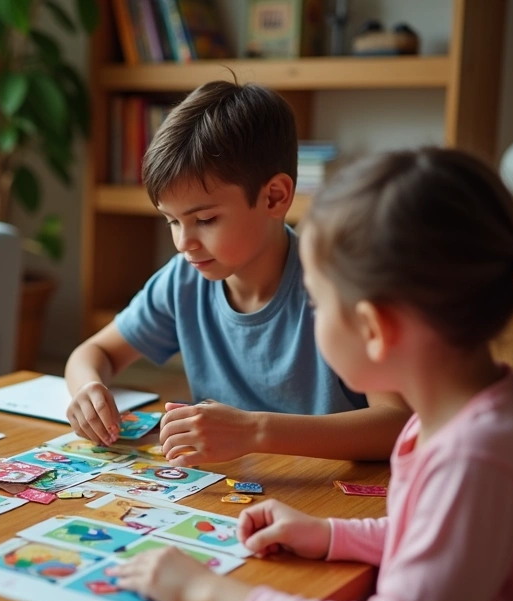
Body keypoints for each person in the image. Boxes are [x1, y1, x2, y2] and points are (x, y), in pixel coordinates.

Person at [110, 148, 513, 601]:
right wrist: (329, 533)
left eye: (319, 303)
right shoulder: (465, 411)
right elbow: (431, 536)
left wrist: (203, 593)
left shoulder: (476, 457)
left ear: (373, 328)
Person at [64, 80, 409, 464]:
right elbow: (93, 352)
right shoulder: (184, 279)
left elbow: (396, 424)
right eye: (172, 222)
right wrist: (89, 388)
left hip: (328, 495)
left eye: (206, 219)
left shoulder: (336, 283)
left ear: (274, 197)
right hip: (233, 493)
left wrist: (255, 432)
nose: (183, 243)